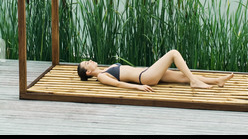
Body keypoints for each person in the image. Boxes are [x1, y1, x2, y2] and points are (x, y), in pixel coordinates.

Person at [77, 49, 234, 92]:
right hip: (144, 78)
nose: (90, 61)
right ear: (88, 72)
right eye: (87, 63)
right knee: (173, 53)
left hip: (147, 72)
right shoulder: (102, 77)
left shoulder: (106, 69)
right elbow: (118, 85)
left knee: (182, 76)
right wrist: (138, 87)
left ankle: (217, 81)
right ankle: (194, 82)